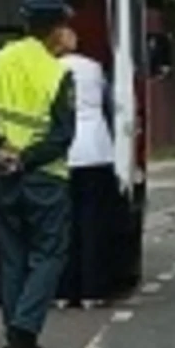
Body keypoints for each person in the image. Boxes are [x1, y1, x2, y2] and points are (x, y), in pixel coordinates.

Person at [0, 0, 77, 348]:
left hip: (2, 175)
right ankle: (25, 329)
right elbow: (63, 135)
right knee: (48, 254)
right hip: (44, 179)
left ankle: (13, 330)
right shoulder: (57, 73)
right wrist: (27, 159)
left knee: (12, 253)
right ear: (55, 29)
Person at [56, 22, 120, 309]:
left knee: (63, 225)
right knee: (93, 225)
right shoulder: (94, 68)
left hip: (63, 153)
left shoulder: (50, 69)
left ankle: (62, 290)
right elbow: (109, 105)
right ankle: (93, 290)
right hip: (96, 151)